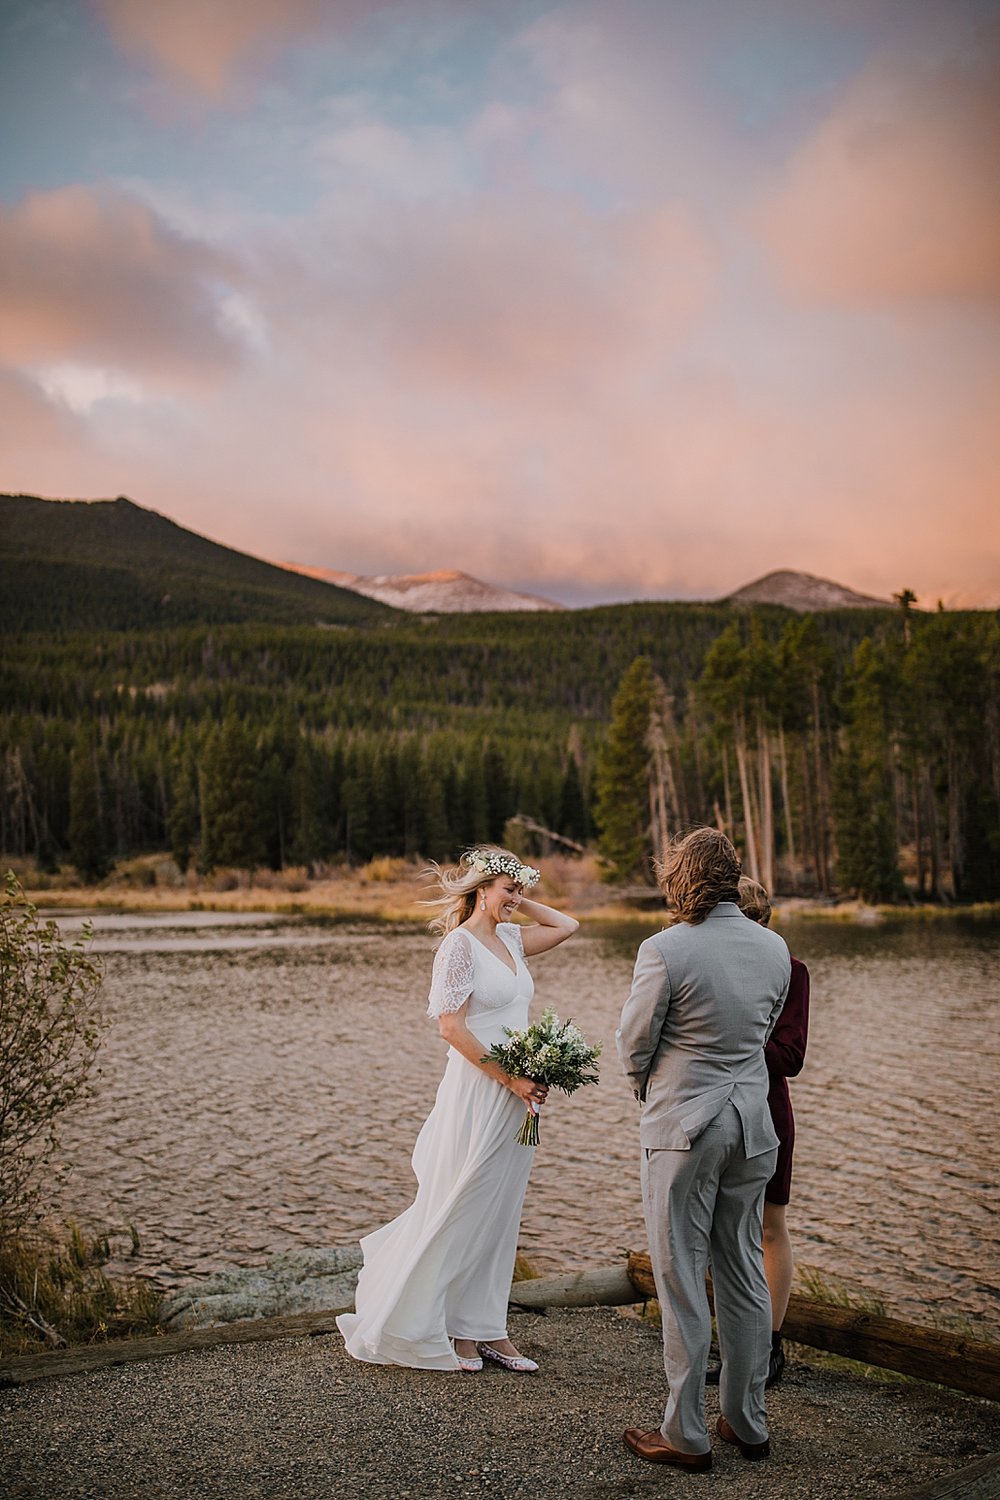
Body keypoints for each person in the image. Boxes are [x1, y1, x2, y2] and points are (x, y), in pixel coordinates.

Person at [336, 845, 578, 1374]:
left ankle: (487, 1328)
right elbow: (451, 1026)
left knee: (500, 1210)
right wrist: (509, 1077)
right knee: (463, 1203)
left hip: (519, 1093)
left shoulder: (512, 937)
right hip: (481, 1087)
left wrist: (523, 896)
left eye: (519, 889)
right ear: (481, 890)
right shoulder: (458, 947)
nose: (516, 898)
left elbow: (567, 924)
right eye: (507, 889)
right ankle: (447, 1325)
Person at [617, 828, 790, 1472]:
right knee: (743, 1269)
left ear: (683, 876)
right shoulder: (774, 946)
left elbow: (635, 1043)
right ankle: (746, 1422)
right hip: (753, 1122)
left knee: (681, 1274)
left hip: (685, 1128)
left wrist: (647, 1088)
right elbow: (765, 1027)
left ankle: (686, 1435)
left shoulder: (665, 949)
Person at [706, 876, 810, 1389]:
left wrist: (734, 1041)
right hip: (712, 1112)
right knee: (720, 1235)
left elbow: (791, 1056)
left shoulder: (792, 971)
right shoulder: (708, 968)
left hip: (767, 1112)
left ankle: (768, 1346)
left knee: (769, 1228)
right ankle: (733, 1346)